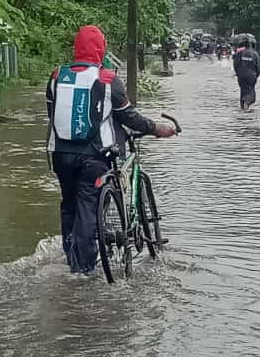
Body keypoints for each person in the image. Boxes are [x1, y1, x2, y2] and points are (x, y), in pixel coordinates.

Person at [47, 25, 178, 275]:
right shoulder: (107, 79)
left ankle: (70, 256)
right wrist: (158, 129)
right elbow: (130, 117)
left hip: (61, 155)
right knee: (88, 207)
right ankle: (82, 272)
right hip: (94, 157)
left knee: (69, 206)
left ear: (76, 48)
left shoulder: (56, 76)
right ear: (101, 49)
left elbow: (52, 115)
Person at [232, 35, 260, 109]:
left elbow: (235, 65)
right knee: (250, 91)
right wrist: (256, 75)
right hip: (252, 76)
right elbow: (259, 66)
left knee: (243, 91)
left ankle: (243, 106)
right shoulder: (255, 54)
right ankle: (247, 103)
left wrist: (238, 73)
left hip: (241, 76)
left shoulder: (239, 53)